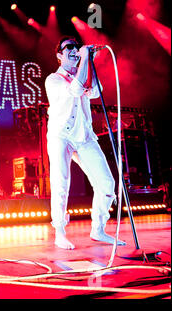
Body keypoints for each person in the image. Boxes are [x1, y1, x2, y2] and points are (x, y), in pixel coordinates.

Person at [45, 36, 126, 249]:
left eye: (76, 46)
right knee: (61, 183)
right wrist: (84, 58)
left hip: (84, 136)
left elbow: (96, 91)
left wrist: (89, 60)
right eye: (68, 47)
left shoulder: (83, 71)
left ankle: (98, 229)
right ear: (59, 55)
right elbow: (75, 89)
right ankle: (60, 232)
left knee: (107, 184)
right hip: (60, 135)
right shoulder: (53, 79)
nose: (73, 49)